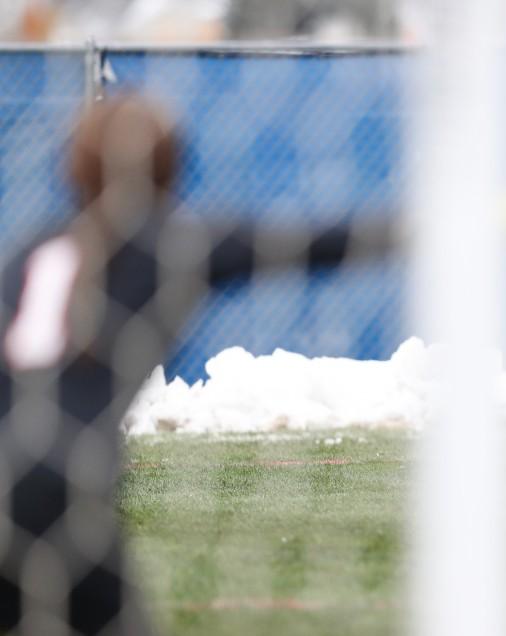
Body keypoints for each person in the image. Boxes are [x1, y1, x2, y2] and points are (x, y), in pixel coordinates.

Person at [0, 95, 394, 634]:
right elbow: (309, 243)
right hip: (62, 487)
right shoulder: (171, 244)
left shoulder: (34, 249)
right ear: (170, 171)